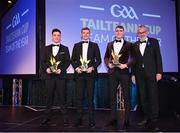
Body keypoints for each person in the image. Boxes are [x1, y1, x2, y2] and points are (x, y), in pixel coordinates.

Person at [131, 25, 163, 131]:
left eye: (143, 32)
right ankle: (147, 117)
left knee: (153, 97)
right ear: (137, 34)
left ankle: (154, 120)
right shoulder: (134, 45)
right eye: (139, 32)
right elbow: (133, 62)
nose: (141, 34)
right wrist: (133, 74)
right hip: (139, 76)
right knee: (143, 98)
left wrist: (159, 72)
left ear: (147, 32)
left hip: (152, 74)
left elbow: (158, 57)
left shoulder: (154, 42)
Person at [104, 25, 136, 129]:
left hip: (124, 73)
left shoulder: (129, 45)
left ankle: (127, 120)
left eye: (120, 31)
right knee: (112, 97)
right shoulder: (109, 44)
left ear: (123, 32)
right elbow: (106, 57)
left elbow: (134, 58)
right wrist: (108, 64)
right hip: (113, 73)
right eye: (117, 31)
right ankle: (113, 119)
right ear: (115, 32)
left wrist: (126, 65)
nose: (118, 32)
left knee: (126, 97)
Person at [71, 27, 101, 127]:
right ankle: (78, 119)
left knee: (90, 98)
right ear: (81, 34)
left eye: (87, 33)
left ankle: (91, 120)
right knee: (79, 98)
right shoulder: (76, 45)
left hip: (90, 75)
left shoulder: (94, 45)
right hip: (79, 75)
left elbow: (99, 60)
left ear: (90, 34)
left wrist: (92, 67)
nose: (85, 34)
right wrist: (76, 68)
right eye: (84, 33)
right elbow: (72, 60)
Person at [41, 28, 70, 126]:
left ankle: (65, 119)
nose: (56, 37)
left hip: (60, 76)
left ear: (60, 36)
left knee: (62, 98)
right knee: (48, 98)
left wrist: (61, 69)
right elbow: (43, 61)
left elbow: (67, 61)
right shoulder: (45, 48)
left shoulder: (65, 49)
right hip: (49, 77)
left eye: (58, 35)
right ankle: (46, 118)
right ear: (52, 36)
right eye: (55, 35)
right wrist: (47, 69)